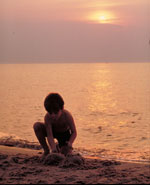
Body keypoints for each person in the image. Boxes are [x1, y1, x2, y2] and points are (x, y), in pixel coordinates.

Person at [33, 93, 77, 157]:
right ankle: (46, 150)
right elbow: (49, 135)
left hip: (64, 134)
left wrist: (70, 143)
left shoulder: (67, 116)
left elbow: (74, 132)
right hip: (53, 132)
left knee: (65, 154)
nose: (53, 115)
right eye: (50, 113)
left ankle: (59, 146)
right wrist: (53, 149)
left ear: (62, 108)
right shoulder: (47, 117)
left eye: (56, 113)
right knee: (37, 126)